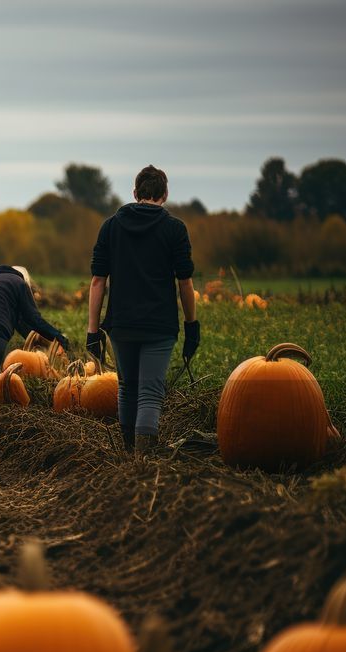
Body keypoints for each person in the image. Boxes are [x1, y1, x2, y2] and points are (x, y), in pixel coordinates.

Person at [86, 165, 198, 455]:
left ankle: (128, 454)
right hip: (159, 326)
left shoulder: (110, 226)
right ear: (165, 194)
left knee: (127, 388)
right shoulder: (175, 229)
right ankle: (144, 459)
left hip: (121, 324)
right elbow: (185, 282)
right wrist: (191, 324)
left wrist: (92, 330)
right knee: (150, 392)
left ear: (135, 193)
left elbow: (98, 281)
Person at [0, 264, 69, 412]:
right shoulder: (19, 283)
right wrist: (57, 336)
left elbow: (17, 322)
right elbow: (33, 318)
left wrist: (34, 341)